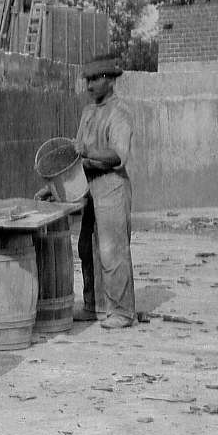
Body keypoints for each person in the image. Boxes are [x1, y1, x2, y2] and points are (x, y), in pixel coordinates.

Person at [74, 52, 136, 328]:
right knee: (86, 247)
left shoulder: (120, 112)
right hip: (88, 185)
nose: (89, 86)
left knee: (112, 251)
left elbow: (117, 155)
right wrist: (55, 189)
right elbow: (77, 158)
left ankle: (122, 311)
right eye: (87, 80)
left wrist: (89, 151)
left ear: (110, 80)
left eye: (94, 80)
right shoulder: (88, 112)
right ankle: (94, 305)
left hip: (111, 185)